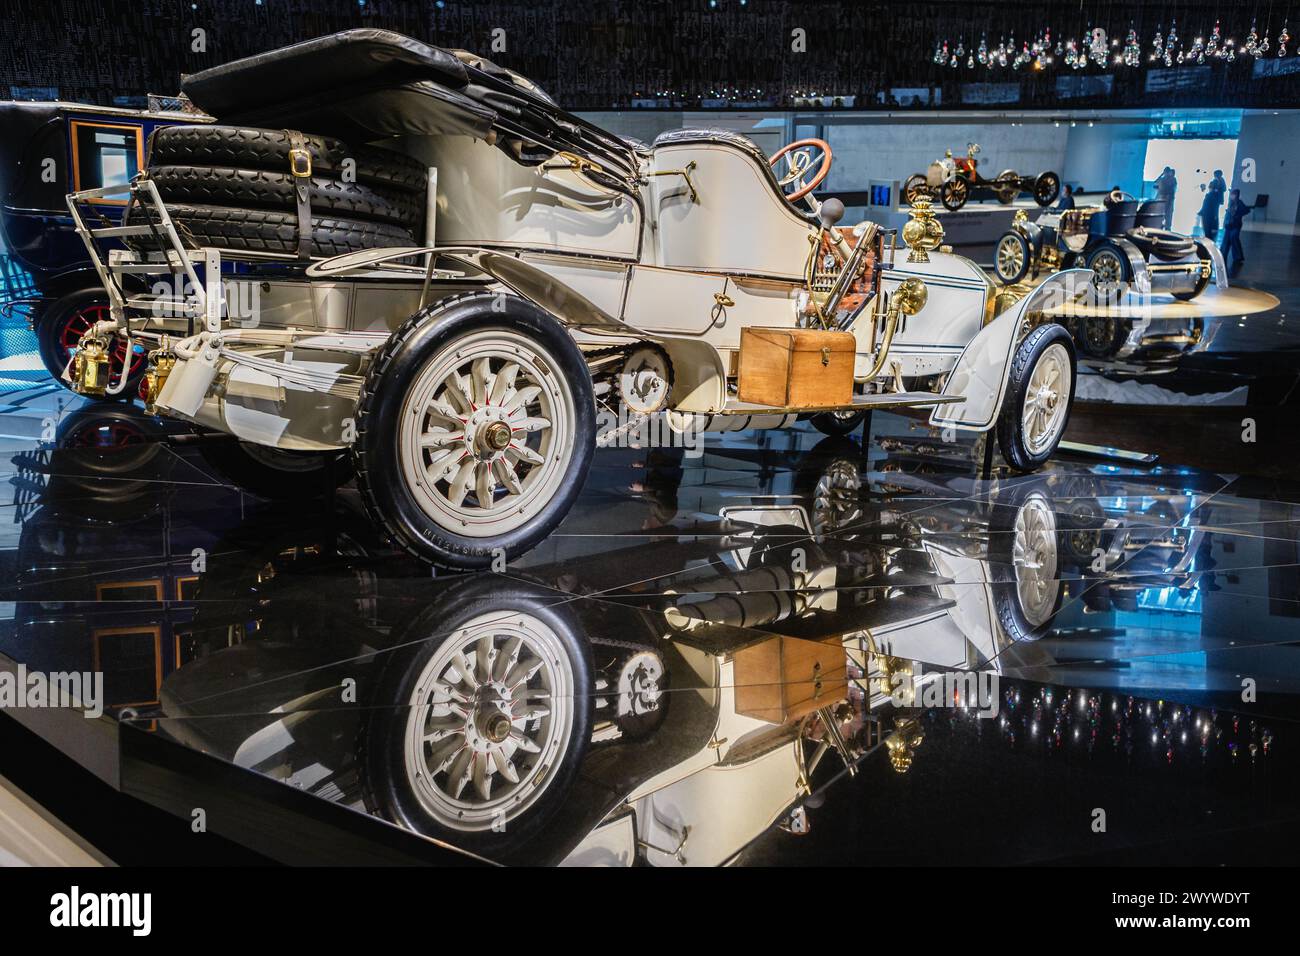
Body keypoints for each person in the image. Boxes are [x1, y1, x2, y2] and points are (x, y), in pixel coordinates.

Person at [1221, 188, 1254, 276]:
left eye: (1233, 194)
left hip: (1235, 225)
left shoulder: (1239, 203)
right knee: (1227, 241)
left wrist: (1237, 215)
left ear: (1236, 195)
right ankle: (1224, 255)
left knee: (1234, 239)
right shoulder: (1231, 203)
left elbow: (1246, 210)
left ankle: (1238, 257)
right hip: (1229, 225)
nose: (1232, 195)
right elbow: (1229, 213)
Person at [1200, 169, 1227, 241]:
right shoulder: (1214, 181)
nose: (1215, 176)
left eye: (1216, 174)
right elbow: (1210, 188)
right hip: (1213, 199)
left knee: (1215, 214)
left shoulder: (1221, 180)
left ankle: (1213, 231)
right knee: (1212, 214)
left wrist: (1217, 190)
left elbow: (1224, 189)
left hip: (1216, 200)